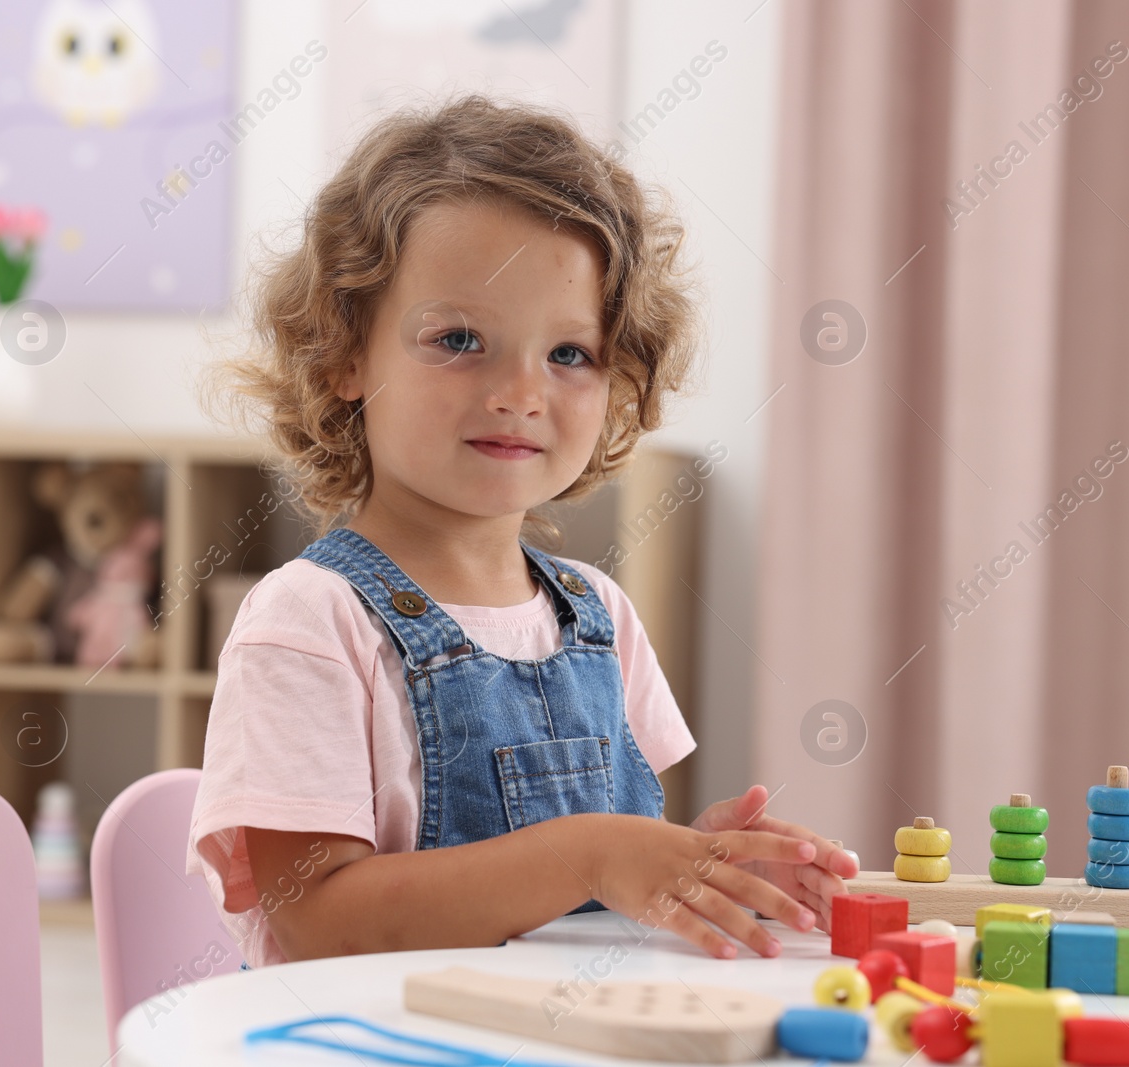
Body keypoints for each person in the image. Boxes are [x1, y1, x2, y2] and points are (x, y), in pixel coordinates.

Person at [189, 94, 856, 969]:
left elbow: (587, 904)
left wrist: (692, 863)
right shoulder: (309, 622)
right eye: (460, 337)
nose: (519, 391)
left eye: (569, 354)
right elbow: (320, 923)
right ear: (345, 354)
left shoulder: (597, 613)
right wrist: (597, 852)